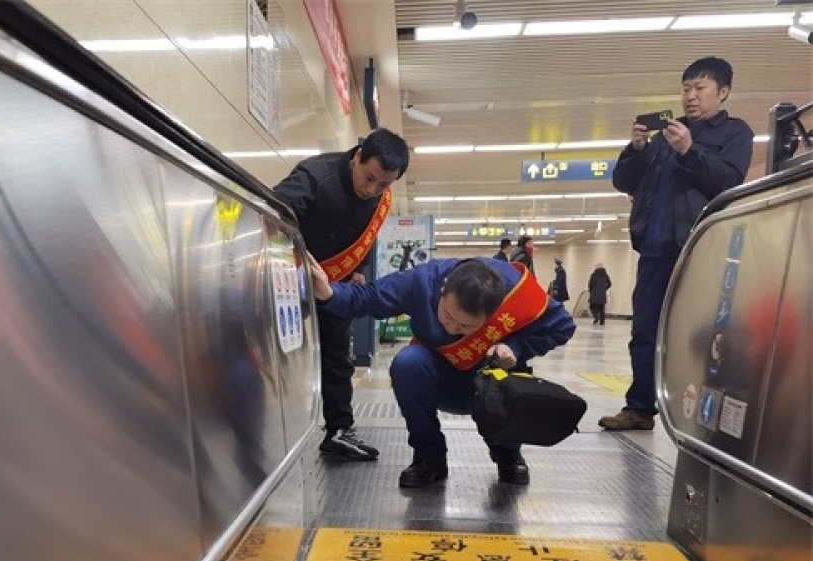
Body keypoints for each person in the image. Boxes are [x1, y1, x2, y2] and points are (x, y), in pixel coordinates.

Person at [307, 256, 575, 487]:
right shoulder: (422, 281)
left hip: (489, 379)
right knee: (407, 363)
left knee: (511, 377)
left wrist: (514, 344)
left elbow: (562, 327)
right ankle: (429, 458)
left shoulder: (516, 293)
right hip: (438, 377)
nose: (452, 328)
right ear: (444, 289)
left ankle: (507, 453)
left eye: (466, 327)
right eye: (447, 316)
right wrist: (328, 293)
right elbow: (370, 297)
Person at [599, 56, 753, 431]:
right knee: (646, 330)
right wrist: (635, 150)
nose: (691, 97)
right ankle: (639, 408)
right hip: (655, 247)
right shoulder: (666, 135)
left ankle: (706, 411)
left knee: (705, 334)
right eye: (686, 88)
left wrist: (690, 150)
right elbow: (624, 182)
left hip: (701, 249)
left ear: (723, 92)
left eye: (700, 88)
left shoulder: (735, 133)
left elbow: (728, 181)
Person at [273, 127, 410, 461]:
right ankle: (261, 430)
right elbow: (272, 214)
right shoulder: (315, 176)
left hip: (333, 285)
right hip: (287, 281)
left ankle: (339, 431)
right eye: (369, 178)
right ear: (358, 156)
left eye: (384, 185)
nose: (372, 189)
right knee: (273, 354)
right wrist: (300, 263)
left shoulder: (379, 196)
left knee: (338, 358)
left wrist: (358, 267)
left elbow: (365, 233)